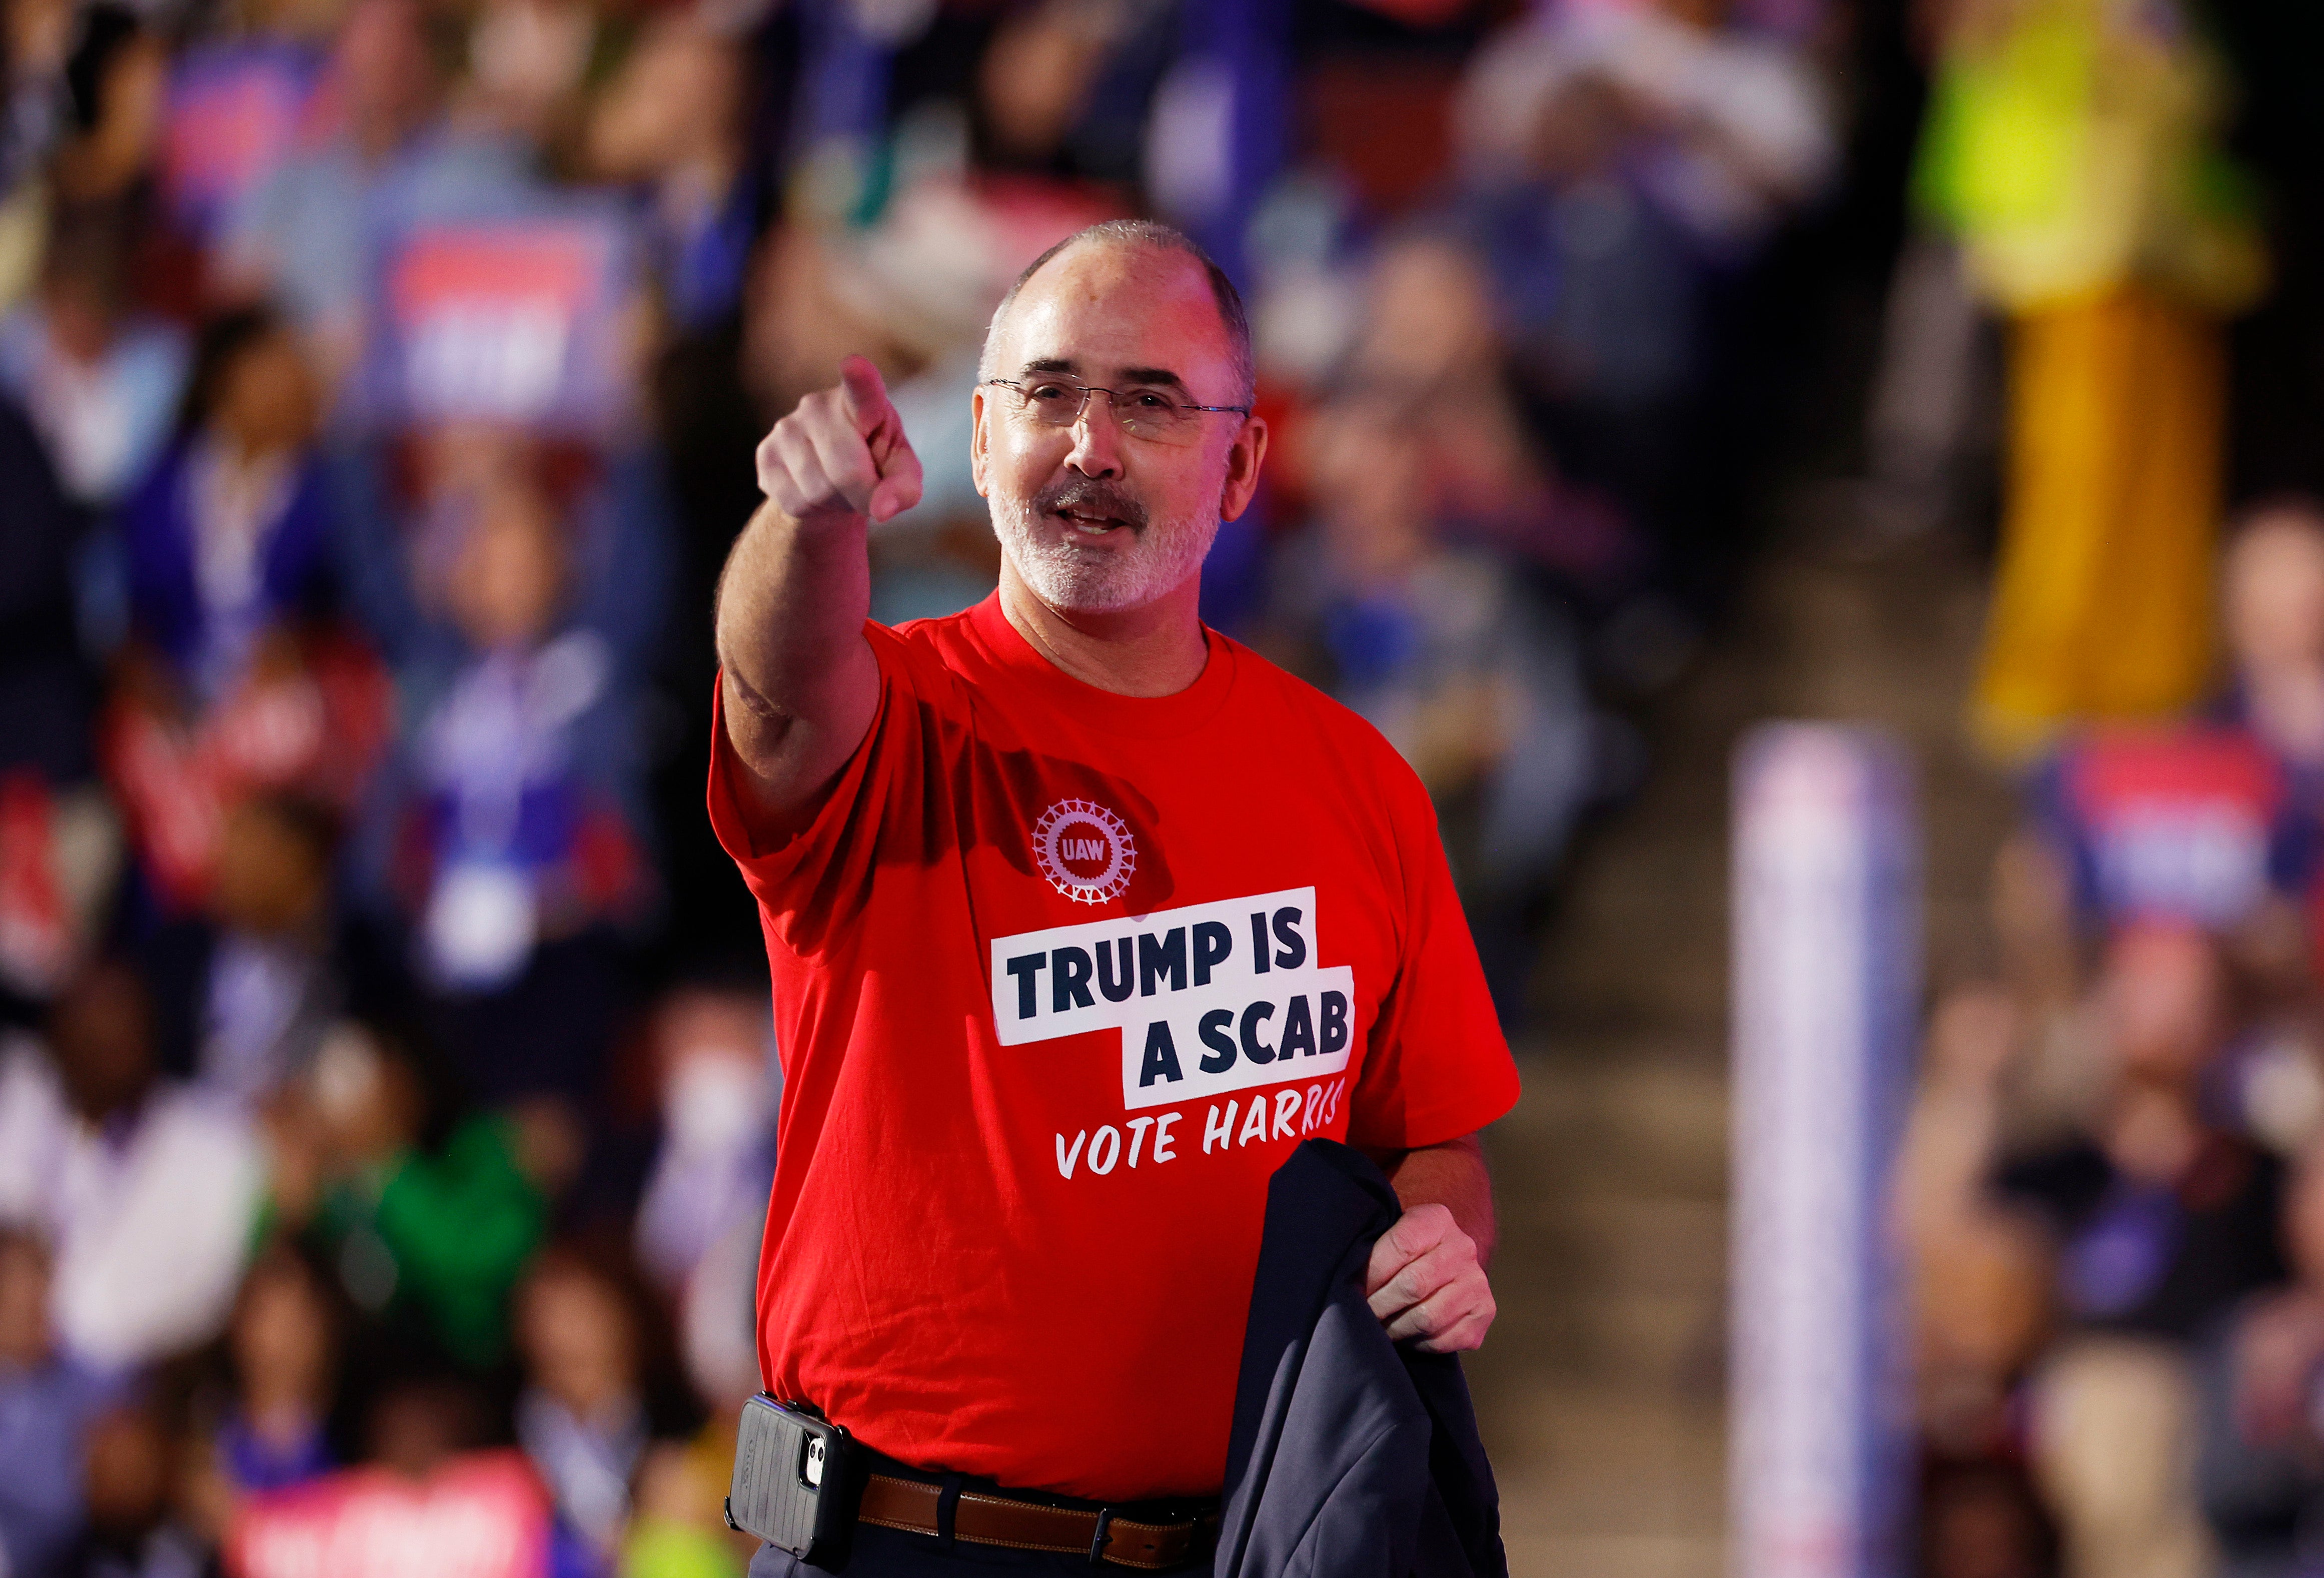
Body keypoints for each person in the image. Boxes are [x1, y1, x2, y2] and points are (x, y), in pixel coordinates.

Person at [710, 219, 1518, 1573]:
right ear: (977, 438)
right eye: (1049, 392)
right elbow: (778, 684)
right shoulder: (897, 718)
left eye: (1148, 400)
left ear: (1246, 462)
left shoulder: (1358, 783)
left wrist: (1445, 1232)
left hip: (1246, 1546)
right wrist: (808, 517)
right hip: (905, 1541)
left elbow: (1432, 1144)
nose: (1089, 443)